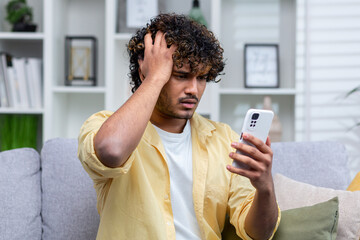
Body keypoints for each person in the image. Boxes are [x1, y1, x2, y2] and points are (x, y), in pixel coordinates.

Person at [78, 13, 280, 240]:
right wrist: (154, 78)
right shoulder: (103, 126)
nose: (193, 89)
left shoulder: (225, 140)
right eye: (181, 75)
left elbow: (259, 233)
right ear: (146, 70)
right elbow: (111, 151)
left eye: (202, 78)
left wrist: (265, 188)